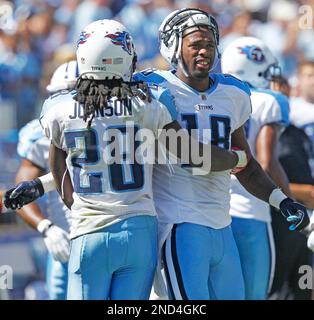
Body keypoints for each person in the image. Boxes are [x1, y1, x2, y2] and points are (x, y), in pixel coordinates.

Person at [5, 19, 244, 300]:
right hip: (140, 232)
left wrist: (70, 200)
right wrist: (235, 157)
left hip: (89, 229)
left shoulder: (59, 108)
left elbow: (61, 167)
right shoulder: (149, 102)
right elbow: (191, 154)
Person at [134, 8, 309, 300]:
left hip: (221, 226)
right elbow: (196, 158)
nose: (204, 51)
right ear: (174, 47)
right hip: (178, 226)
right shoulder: (156, 90)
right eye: (195, 44)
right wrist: (233, 159)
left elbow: (250, 167)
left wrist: (282, 201)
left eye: (210, 45)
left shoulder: (232, 93)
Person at [221, 36, 292, 300]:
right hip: (251, 211)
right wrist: (289, 202)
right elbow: (266, 161)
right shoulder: (270, 100)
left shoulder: (213, 94)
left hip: (212, 212)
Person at [11, 60, 78, 300]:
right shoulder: (38, 134)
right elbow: (19, 193)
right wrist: (46, 227)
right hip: (65, 240)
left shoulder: (115, 125)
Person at [268, 75, 314, 300]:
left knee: (303, 291)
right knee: (274, 289)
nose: (280, 95)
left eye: (283, 88)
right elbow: (261, 175)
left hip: (302, 224)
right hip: (279, 221)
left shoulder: (297, 132)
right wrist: (302, 194)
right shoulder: (261, 131)